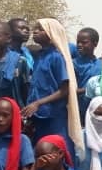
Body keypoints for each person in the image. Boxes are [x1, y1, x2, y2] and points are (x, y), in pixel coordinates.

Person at [23, 19, 83, 161]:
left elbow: (64, 90)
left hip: (54, 116)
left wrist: (38, 103)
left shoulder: (56, 57)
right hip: (39, 117)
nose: (35, 31)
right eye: (35, 28)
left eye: (40, 29)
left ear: (52, 34)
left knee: (59, 153)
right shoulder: (38, 56)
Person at [73, 27, 102, 121]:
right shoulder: (73, 64)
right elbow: (69, 90)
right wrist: (89, 89)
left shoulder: (101, 64)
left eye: (84, 42)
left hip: (98, 110)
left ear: (95, 43)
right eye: (78, 42)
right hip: (79, 109)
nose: (79, 45)